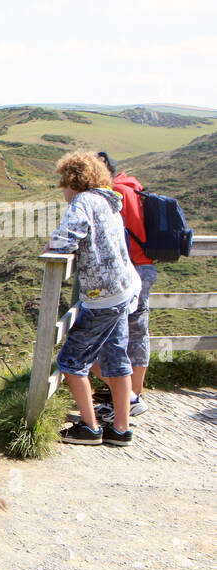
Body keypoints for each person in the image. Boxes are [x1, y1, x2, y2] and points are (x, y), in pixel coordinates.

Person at [44, 151, 141, 446]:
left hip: (102, 295)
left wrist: (53, 243)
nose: (62, 189)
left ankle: (90, 427)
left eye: (63, 182)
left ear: (73, 180)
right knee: (116, 359)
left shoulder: (83, 201)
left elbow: (67, 237)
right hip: (123, 290)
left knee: (70, 361)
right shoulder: (109, 200)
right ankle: (121, 430)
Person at [91, 151, 154, 417]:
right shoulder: (133, 187)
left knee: (109, 337)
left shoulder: (114, 193)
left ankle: (127, 397)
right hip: (146, 266)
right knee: (137, 333)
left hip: (129, 271)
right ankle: (133, 394)